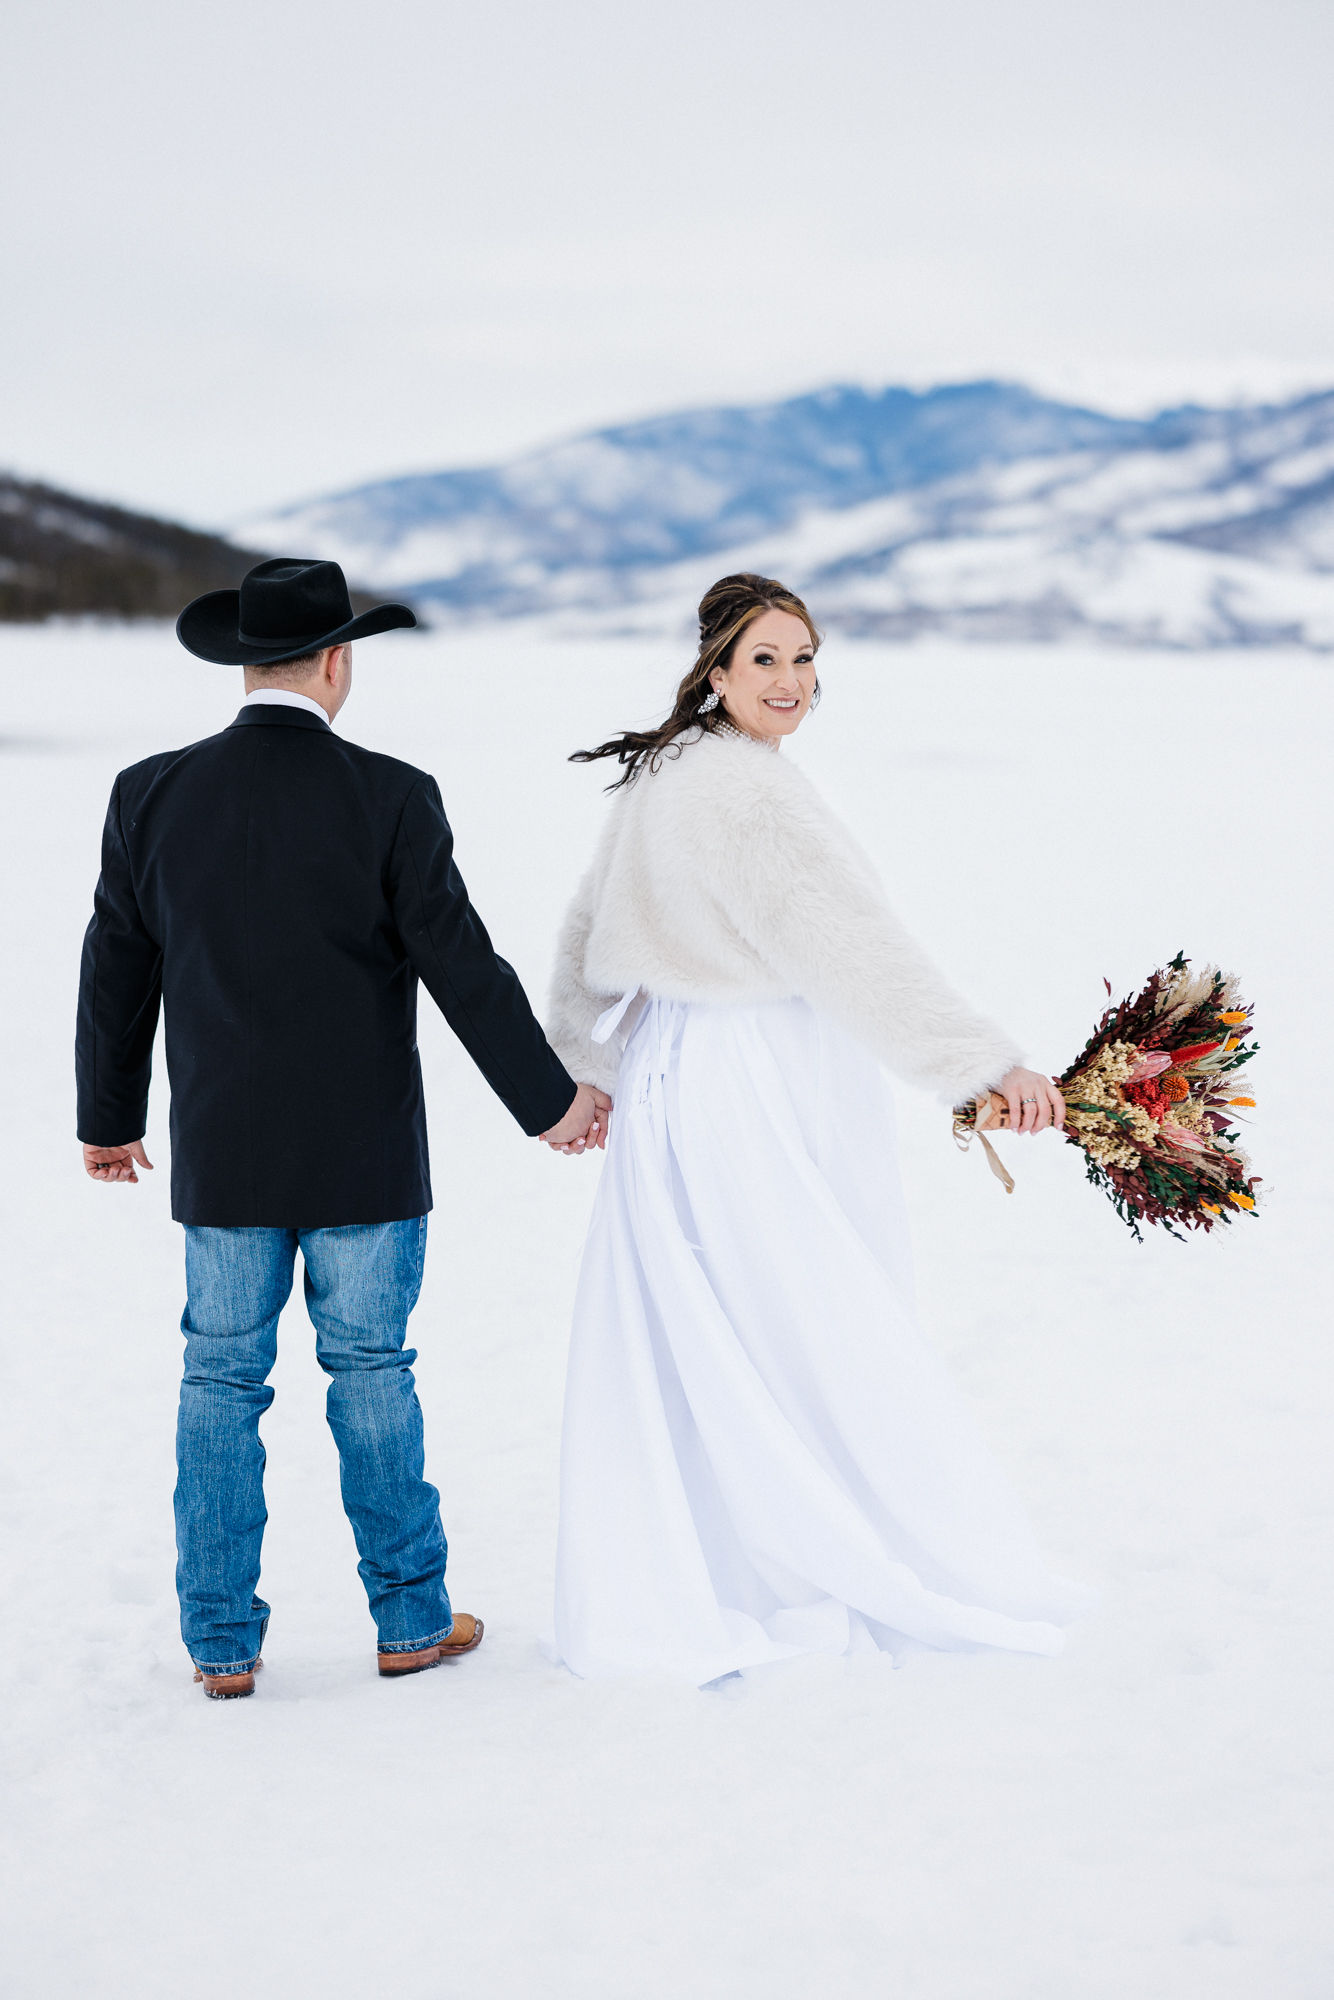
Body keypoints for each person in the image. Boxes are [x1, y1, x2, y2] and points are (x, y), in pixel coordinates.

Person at [76, 556, 608, 1698]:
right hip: (364, 1155)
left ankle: (221, 1642)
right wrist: (550, 1101)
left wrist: (108, 1117)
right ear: (336, 661)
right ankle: (410, 1618)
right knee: (372, 1370)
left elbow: (115, 971)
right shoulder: (391, 792)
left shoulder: (150, 791)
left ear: (243, 663)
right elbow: (461, 966)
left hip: (223, 1156)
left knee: (218, 1381)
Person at [544, 571, 1086, 1684]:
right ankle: (820, 1546)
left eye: (803, 658)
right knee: (804, 1307)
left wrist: (585, 1057)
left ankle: (722, 1552)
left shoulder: (668, 772)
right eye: (763, 660)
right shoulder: (744, 794)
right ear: (713, 670)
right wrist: (977, 1063)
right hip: (750, 1074)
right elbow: (852, 951)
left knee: (719, 1316)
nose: (789, 682)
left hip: (672, 1071)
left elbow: (585, 927)